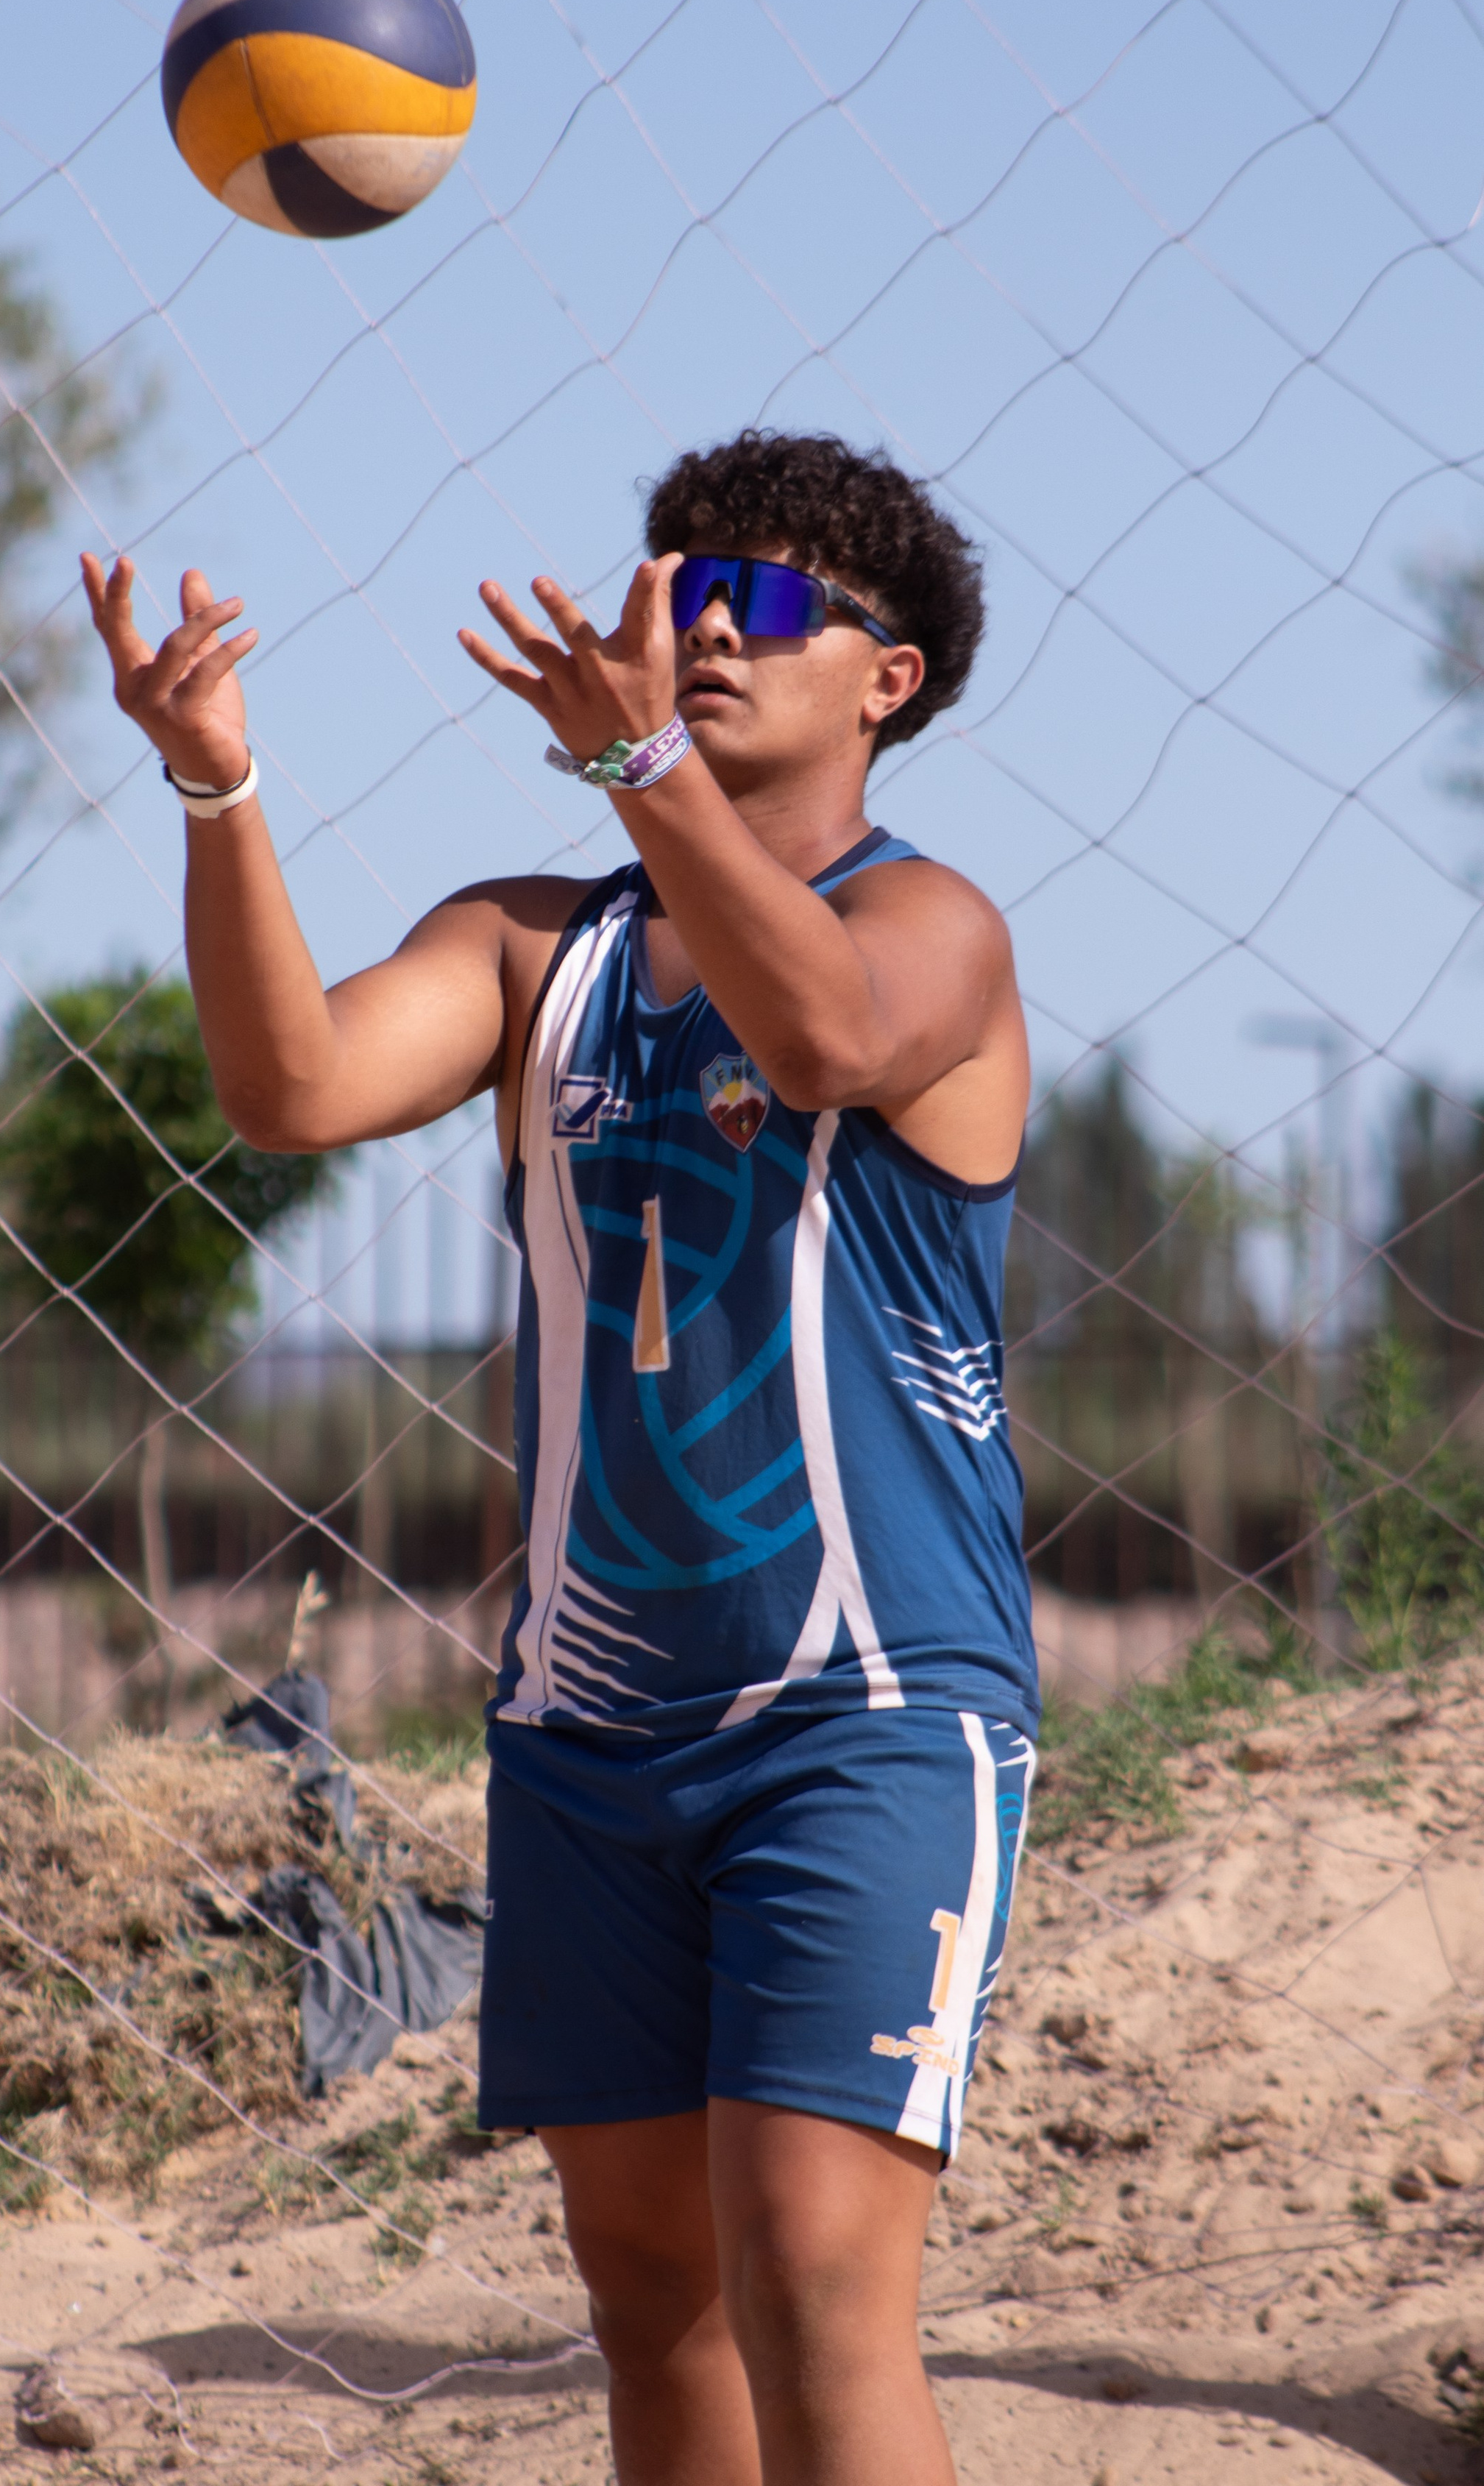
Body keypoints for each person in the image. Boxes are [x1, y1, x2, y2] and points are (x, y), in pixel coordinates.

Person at [84, 428, 1037, 2486]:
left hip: (867, 1714)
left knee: (809, 2275)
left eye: (768, 600)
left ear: (890, 678)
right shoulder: (544, 953)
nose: (701, 622)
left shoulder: (934, 924)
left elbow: (828, 1048)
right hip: (595, 1723)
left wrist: (644, 779)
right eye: (677, 579)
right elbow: (289, 1087)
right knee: (649, 2292)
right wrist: (214, 783)